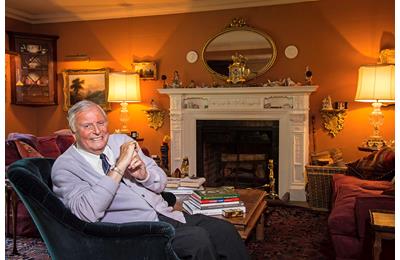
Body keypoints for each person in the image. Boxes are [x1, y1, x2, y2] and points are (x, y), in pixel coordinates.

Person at [51, 100, 250, 260]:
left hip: (164, 214)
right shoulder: (65, 166)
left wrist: (144, 175)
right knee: (197, 240)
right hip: (131, 232)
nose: (97, 131)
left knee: (224, 230)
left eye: (101, 123)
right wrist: (119, 167)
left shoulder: (122, 141)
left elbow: (161, 182)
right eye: (87, 126)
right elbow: (86, 213)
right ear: (74, 132)